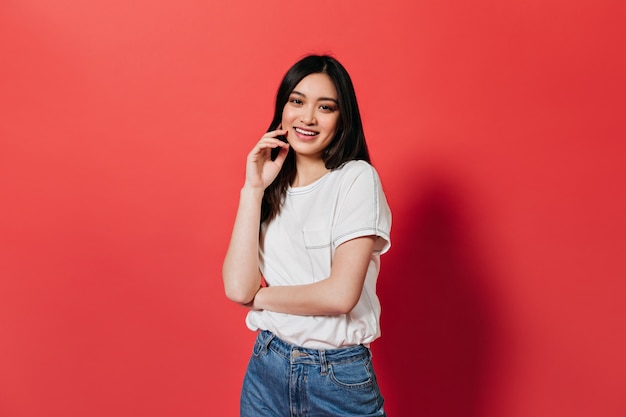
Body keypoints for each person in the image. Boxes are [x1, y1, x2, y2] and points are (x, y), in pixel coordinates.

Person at [222, 54, 392, 417]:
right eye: (297, 101)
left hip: (337, 377)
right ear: (283, 109)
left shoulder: (356, 179)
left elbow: (340, 295)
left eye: (325, 107)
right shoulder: (269, 188)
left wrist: (262, 298)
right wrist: (252, 189)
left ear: (342, 118)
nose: (308, 117)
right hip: (267, 368)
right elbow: (238, 289)